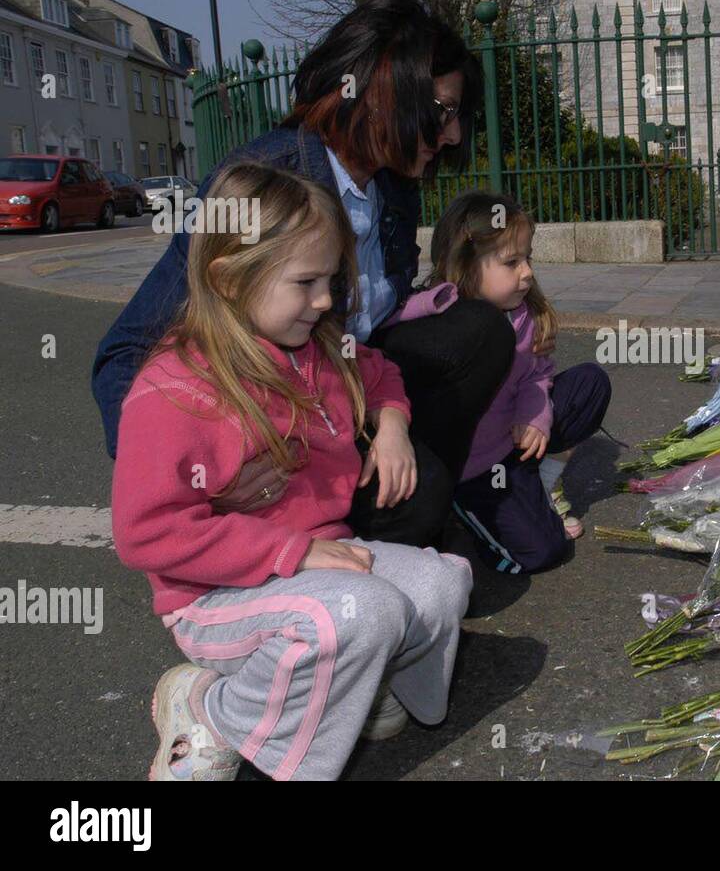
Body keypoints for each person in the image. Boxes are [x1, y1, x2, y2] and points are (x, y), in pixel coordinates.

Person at [93, 0, 522, 548]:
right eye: (443, 110)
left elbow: (368, 335)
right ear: (377, 94)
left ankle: (402, 494)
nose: (455, 134)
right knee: (422, 495)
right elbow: (125, 351)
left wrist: (393, 422)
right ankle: (322, 538)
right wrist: (204, 476)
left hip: (340, 388)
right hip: (278, 422)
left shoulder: (393, 187)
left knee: (481, 332)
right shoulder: (272, 182)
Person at [112, 163, 473, 781]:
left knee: (442, 586)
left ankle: (355, 682)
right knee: (360, 616)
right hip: (213, 597)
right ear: (229, 280)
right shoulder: (173, 390)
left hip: (317, 565)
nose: (327, 299)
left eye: (331, 278)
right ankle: (209, 709)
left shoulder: (319, 348)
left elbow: (380, 373)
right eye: (306, 281)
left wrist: (391, 425)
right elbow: (145, 532)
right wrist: (293, 552)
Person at [386, 191, 610, 573]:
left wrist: (535, 416)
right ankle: (461, 514)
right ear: (466, 264)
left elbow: (537, 373)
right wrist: (433, 302)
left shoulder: (520, 314)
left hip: (515, 447)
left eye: (528, 258)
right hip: (478, 468)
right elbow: (389, 333)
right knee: (544, 553)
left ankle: (543, 479)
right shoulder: (441, 320)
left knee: (590, 382)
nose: (528, 272)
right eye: (512, 262)